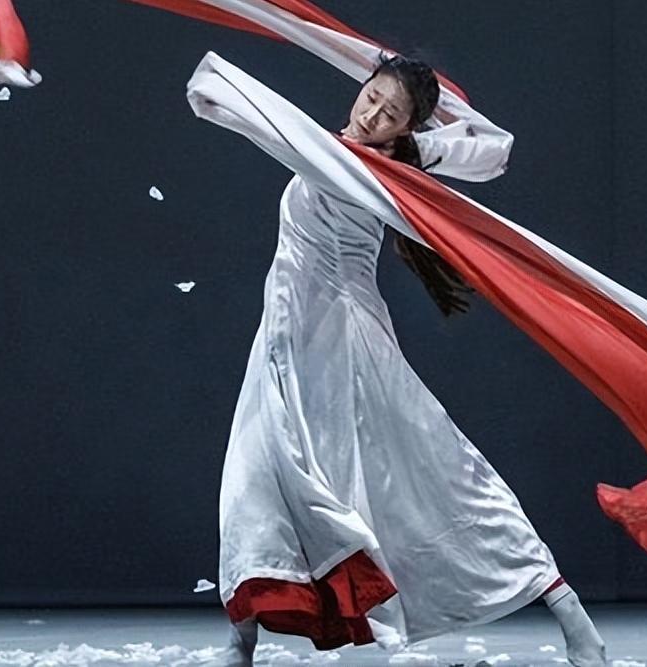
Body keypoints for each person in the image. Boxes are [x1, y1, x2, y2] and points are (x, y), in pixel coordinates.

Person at [185, 49, 608, 667]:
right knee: (255, 478)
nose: (373, 114)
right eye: (372, 97)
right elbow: (485, 145)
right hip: (282, 344)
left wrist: (221, 95)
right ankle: (240, 641)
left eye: (391, 113)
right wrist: (410, 98)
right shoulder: (353, 150)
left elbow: (496, 148)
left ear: (408, 125)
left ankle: (572, 617)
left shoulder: (362, 164)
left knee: (437, 472)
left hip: (346, 344)